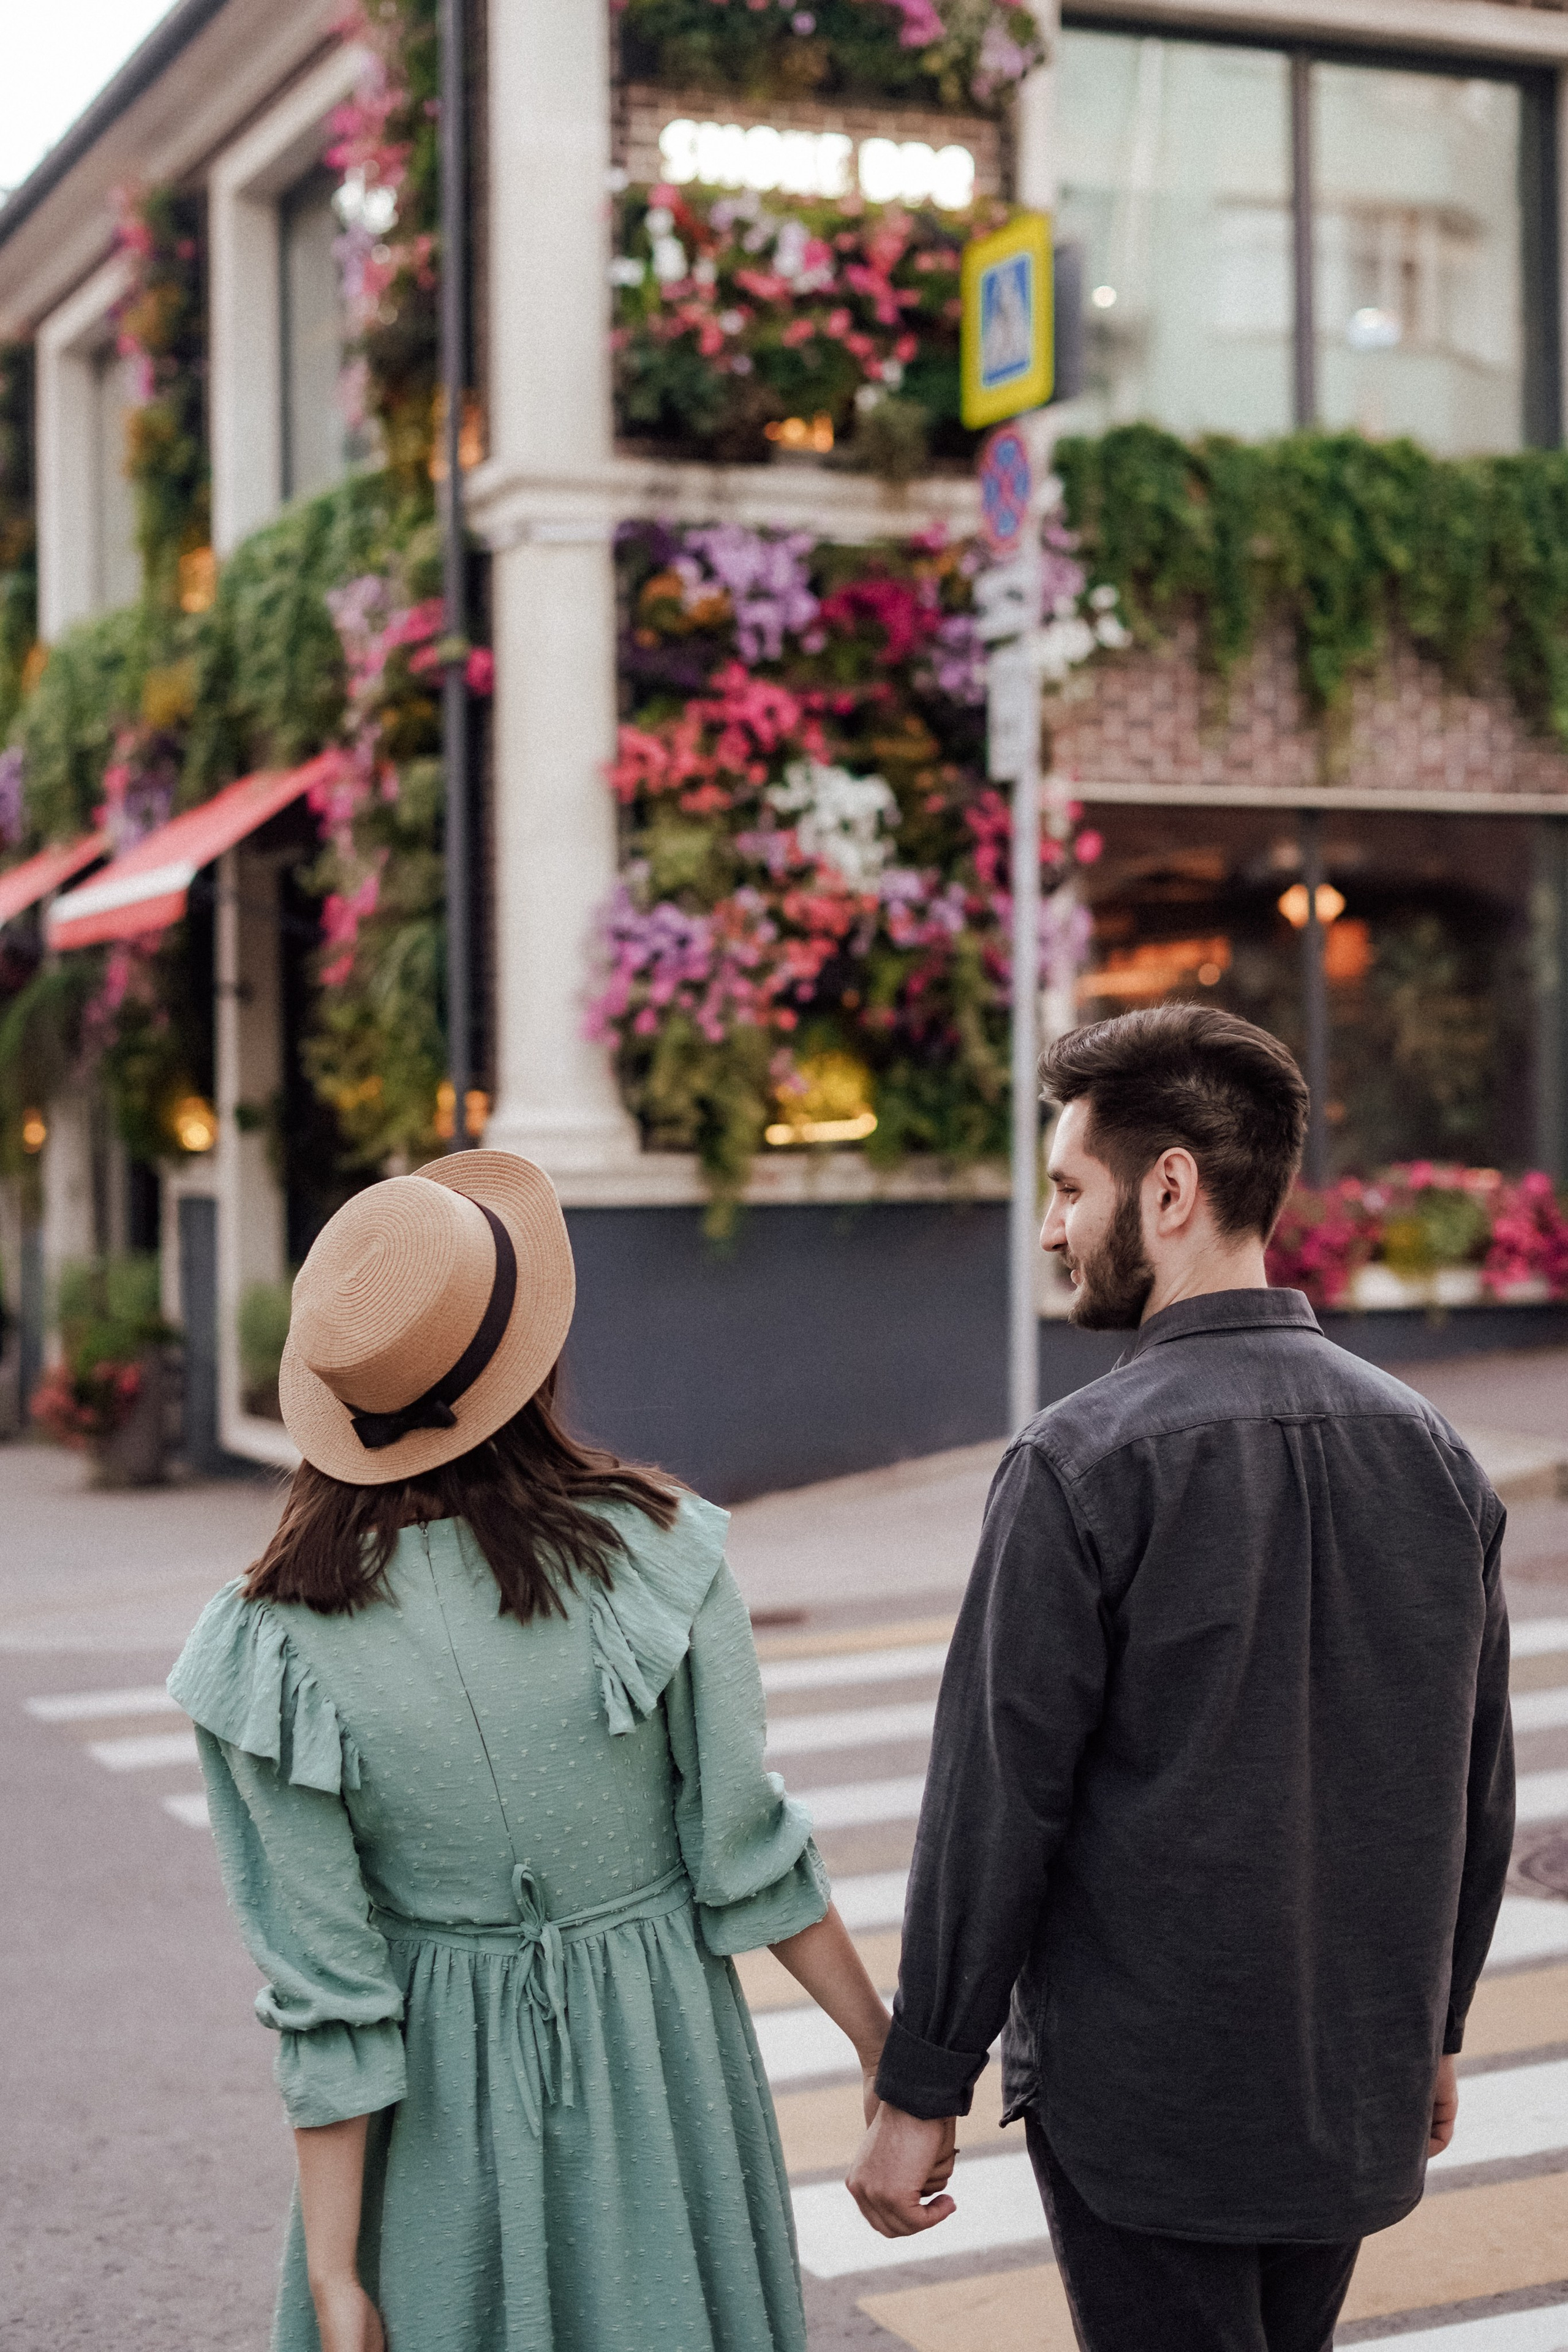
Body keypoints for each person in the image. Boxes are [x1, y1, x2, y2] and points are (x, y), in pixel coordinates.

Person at [847, 1004, 1515, 2352]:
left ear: (1168, 1190)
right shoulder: (1432, 1453)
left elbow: (991, 1807)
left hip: (1149, 2110)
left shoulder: (1077, 1464)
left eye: (1065, 1187)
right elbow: (1471, 1786)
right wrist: (1429, 2026)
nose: (1047, 1229)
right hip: (1350, 2085)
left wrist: (918, 2090)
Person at [170, 1150, 896, 2352]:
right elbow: (744, 1855)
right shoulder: (652, 1559)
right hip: (660, 2080)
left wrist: (340, 2273)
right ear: (528, 1357)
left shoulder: (271, 1644)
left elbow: (327, 1996)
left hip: (435, 2127)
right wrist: (878, 2047)